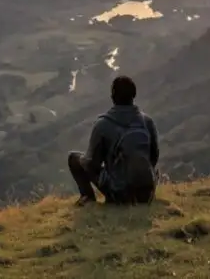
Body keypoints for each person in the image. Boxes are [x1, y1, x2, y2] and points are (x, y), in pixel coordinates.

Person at [67, 75, 159, 206]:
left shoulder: (103, 125)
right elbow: (154, 157)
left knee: (73, 158)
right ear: (134, 95)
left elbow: (91, 163)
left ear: (112, 97)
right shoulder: (147, 122)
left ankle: (88, 198)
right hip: (147, 193)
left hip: (120, 193)